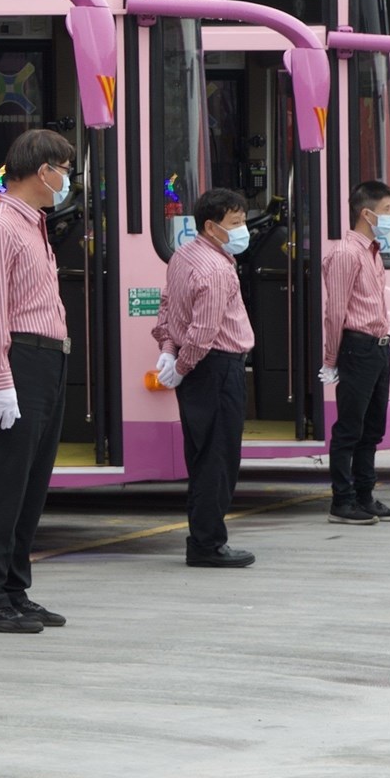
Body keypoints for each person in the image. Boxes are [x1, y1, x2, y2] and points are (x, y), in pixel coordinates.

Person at [0, 128, 75, 633]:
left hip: (47, 360)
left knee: (31, 485)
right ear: (43, 170)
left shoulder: (35, 225)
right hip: (19, 360)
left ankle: (13, 588)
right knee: (4, 483)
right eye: (64, 170)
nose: (67, 180)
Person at [155, 189, 256, 567]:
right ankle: (208, 543)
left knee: (202, 456)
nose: (243, 230)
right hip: (217, 368)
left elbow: (168, 307)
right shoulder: (215, 269)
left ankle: (204, 538)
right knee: (218, 458)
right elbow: (203, 332)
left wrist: (169, 350)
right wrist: (181, 367)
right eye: (236, 223)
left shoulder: (183, 256)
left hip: (200, 369)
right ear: (212, 227)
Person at [320, 180, 390, 524]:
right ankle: (342, 502)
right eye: (386, 210)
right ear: (366, 213)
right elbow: (335, 311)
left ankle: (365, 496)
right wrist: (331, 359)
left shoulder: (372, 251)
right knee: (349, 428)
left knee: (372, 429)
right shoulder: (345, 253)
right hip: (357, 347)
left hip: (378, 347)